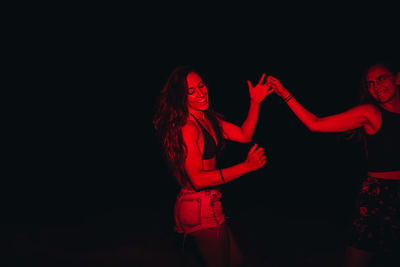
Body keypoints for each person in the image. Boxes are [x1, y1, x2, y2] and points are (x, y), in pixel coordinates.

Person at [268, 62, 400, 267]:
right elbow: (315, 124)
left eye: (381, 79)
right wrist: (285, 93)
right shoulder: (370, 113)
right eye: (370, 83)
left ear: (397, 78)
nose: (375, 86)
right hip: (379, 197)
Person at [153, 66, 272, 266]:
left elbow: (244, 135)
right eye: (191, 92)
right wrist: (246, 166)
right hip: (197, 205)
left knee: (236, 261)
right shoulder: (188, 128)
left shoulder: (208, 118)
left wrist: (255, 102)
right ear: (181, 98)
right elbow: (198, 180)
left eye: (202, 86)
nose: (200, 94)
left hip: (210, 202)